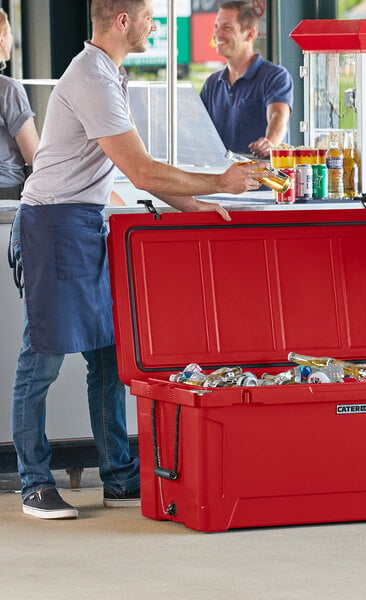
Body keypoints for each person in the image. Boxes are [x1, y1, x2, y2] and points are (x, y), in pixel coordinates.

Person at [12, 0, 260, 520]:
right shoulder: (93, 79)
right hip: (53, 226)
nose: (156, 24)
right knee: (42, 359)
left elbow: (138, 171)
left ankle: (119, 478)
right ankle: (34, 482)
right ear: (123, 21)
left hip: (85, 224)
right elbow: (144, 171)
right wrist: (220, 181)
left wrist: (200, 209)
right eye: (150, 15)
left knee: (107, 357)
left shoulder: (110, 74)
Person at [200, 1, 293, 158]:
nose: (217, 33)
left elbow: (278, 115)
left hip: (264, 180)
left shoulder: (275, 76)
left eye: (227, 27)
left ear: (250, 34)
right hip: (222, 179)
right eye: (216, 26)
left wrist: (270, 142)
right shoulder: (212, 84)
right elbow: (198, 127)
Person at [0, 8, 39, 199]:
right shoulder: (8, 89)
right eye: (9, 32)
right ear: (1, 38)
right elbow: (33, 155)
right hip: (6, 192)